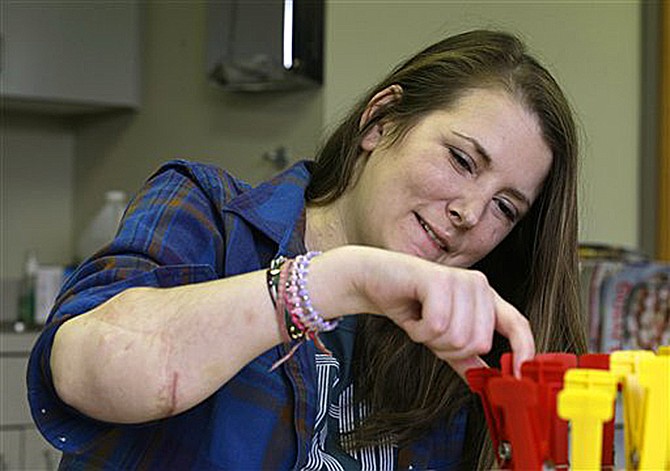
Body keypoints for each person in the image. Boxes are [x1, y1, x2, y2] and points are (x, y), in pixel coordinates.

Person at [28, 29, 587, 470]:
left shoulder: (462, 345)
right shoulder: (209, 212)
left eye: (505, 208)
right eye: (462, 160)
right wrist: (335, 283)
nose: (470, 212)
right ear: (380, 121)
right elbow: (84, 373)